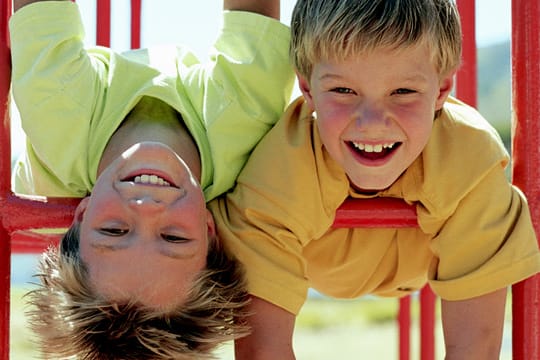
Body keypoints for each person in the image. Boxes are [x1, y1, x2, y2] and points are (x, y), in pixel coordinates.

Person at [208, 0, 540, 358]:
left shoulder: (468, 156)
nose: (372, 121)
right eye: (343, 91)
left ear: (442, 91)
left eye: (403, 92)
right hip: (310, 257)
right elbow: (263, 350)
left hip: (422, 261)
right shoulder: (279, 170)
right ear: (307, 90)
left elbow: (475, 347)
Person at [10, 0, 294, 358]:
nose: (146, 206)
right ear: (209, 231)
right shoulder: (245, 118)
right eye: (173, 237)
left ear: (79, 218)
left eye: (114, 230)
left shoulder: (57, 109)